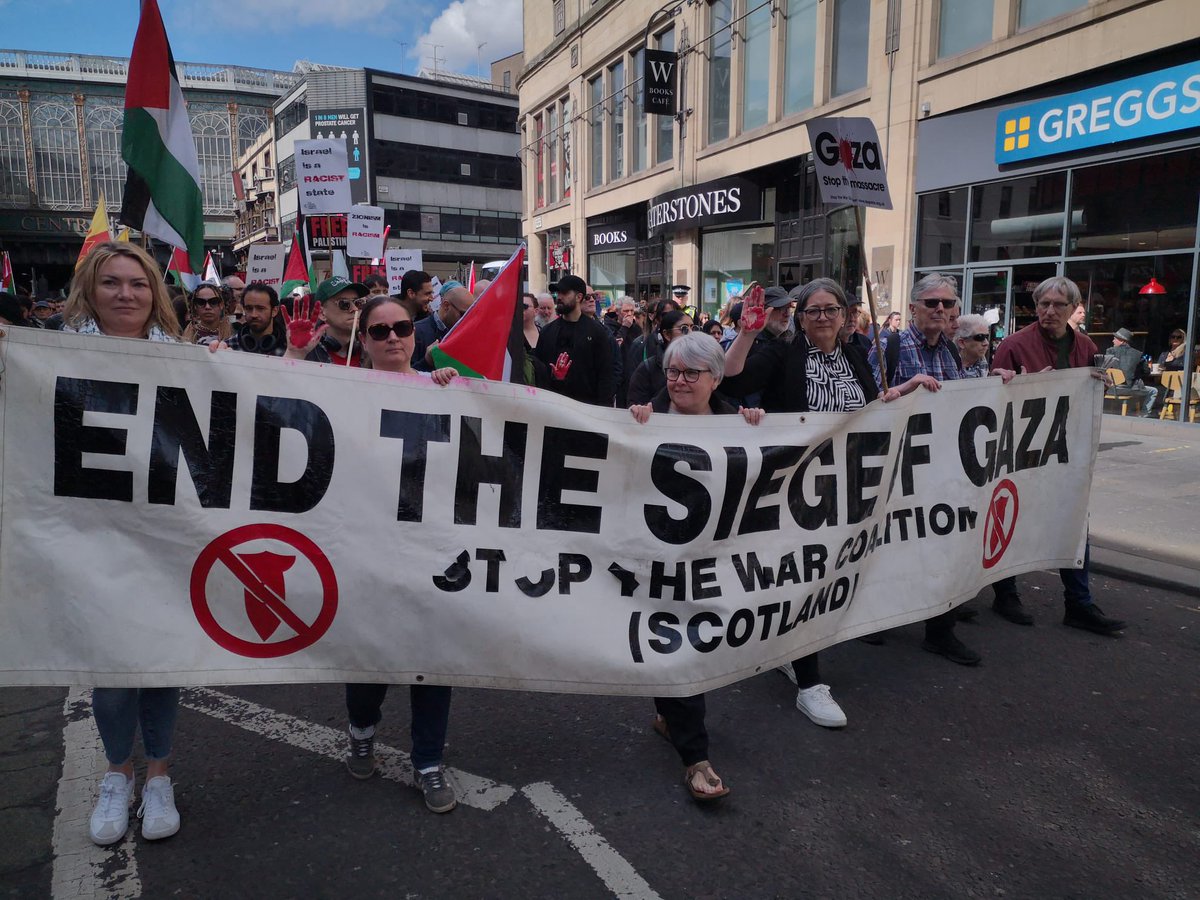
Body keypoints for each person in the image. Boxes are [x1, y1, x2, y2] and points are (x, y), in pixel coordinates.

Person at [62, 241, 183, 845]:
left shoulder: (185, 360)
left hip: (163, 534)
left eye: (137, 283)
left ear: (154, 292)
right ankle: (118, 773)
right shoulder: (53, 356)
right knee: (111, 665)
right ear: (90, 289)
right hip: (90, 535)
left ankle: (158, 775)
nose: (126, 294)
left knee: (159, 657)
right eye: (112, 283)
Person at [722, 279, 883, 727]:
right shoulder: (783, 353)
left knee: (830, 575)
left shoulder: (855, 355)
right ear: (800, 317)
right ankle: (811, 685)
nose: (823, 318)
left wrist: (909, 393)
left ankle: (788, 649)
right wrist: (749, 333)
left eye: (831, 309)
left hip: (849, 485)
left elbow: (874, 408)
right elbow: (731, 380)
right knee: (809, 575)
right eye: (813, 311)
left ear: (845, 314)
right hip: (799, 488)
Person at [629, 332, 763, 801]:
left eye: (691, 374)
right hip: (657, 557)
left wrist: (758, 428)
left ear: (716, 377)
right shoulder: (644, 417)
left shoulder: (737, 420)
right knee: (675, 643)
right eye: (672, 372)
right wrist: (633, 426)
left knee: (684, 645)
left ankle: (671, 718)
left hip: (715, 559)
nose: (679, 382)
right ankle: (695, 757)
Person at [340, 294, 459, 812]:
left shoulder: (446, 390)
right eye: (380, 330)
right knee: (370, 659)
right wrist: (297, 363)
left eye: (402, 328)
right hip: (365, 548)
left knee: (432, 661)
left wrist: (462, 394)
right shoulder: (338, 392)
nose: (393, 338)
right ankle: (361, 729)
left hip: (430, 547)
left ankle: (428, 761)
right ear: (362, 338)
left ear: (417, 334)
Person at [991, 276, 1126, 636]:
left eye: (1058, 305)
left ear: (1073, 310)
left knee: (1074, 523)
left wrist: (1099, 384)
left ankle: (1079, 604)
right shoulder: (1013, 344)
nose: (1049, 311)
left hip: (1067, 453)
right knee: (1012, 520)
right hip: (1019, 453)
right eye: (1043, 304)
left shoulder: (1084, 346)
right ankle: (1005, 593)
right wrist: (1030, 385)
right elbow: (990, 396)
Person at [867, 274, 980, 666]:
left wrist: (996, 384)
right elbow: (868, 408)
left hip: (941, 467)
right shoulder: (888, 346)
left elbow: (961, 396)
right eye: (931, 303)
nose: (940, 310)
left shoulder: (949, 350)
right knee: (893, 544)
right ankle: (878, 613)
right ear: (913, 307)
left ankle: (940, 630)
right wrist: (903, 389)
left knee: (943, 543)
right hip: (898, 468)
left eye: (947, 304)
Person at [534, 274, 615, 406]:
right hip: (552, 410)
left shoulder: (596, 332)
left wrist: (604, 413)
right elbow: (538, 372)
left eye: (565, 293)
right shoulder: (547, 332)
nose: (559, 297)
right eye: (558, 293)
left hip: (586, 411)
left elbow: (605, 375)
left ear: (579, 297)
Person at [284, 275, 369, 366]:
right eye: (344, 303)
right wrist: (295, 354)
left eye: (358, 303)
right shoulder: (307, 352)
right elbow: (281, 378)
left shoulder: (373, 349)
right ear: (322, 313)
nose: (355, 308)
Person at [627, 309, 694, 405]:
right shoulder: (647, 368)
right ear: (666, 334)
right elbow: (636, 407)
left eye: (693, 327)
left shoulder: (702, 364)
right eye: (684, 328)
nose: (690, 333)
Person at [414, 280, 473, 370]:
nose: (466, 320)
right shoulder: (416, 332)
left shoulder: (466, 335)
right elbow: (402, 376)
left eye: (470, 316)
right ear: (446, 306)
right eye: (463, 314)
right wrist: (427, 361)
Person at [1105, 327, 1157, 416]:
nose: (1113, 341)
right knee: (1153, 391)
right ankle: (1143, 415)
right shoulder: (1138, 354)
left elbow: (1104, 369)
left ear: (1122, 341)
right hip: (1127, 389)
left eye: (1115, 339)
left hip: (1110, 389)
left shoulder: (1109, 352)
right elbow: (1146, 372)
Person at [227, 282, 286, 356]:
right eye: (249, 308)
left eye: (260, 308)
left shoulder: (289, 348)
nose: (253, 314)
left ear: (274, 311)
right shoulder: (229, 346)